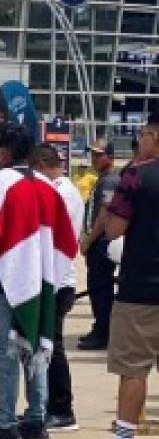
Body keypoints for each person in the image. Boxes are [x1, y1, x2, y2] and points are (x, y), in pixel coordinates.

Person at [0, 123, 78, 439]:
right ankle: (36, 418)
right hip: (39, 279)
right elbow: (64, 240)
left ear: (3, 152)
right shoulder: (47, 186)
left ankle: (6, 423)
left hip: (2, 278)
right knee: (35, 346)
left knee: (6, 352)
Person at [75, 116, 159, 439]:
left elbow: (114, 228)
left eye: (143, 135)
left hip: (142, 285)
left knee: (133, 368)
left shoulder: (137, 176)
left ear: (153, 136)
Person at [31, 144, 85, 432]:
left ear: (41, 166)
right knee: (47, 344)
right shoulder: (61, 189)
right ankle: (47, 404)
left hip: (58, 279)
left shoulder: (61, 191)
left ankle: (61, 408)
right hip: (54, 277)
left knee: (53, 345)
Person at [78, 139, 119, 350]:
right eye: (92, 154)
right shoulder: (102, 179)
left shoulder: (110, 181)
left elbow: (104, 215)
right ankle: (100, 327)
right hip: (97, 242)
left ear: (109, 156)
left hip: (101, 243)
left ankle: (103, 332)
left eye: (98, 154)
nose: (94, 158)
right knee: (97, 289)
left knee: (100, 289)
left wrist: (89, 240)